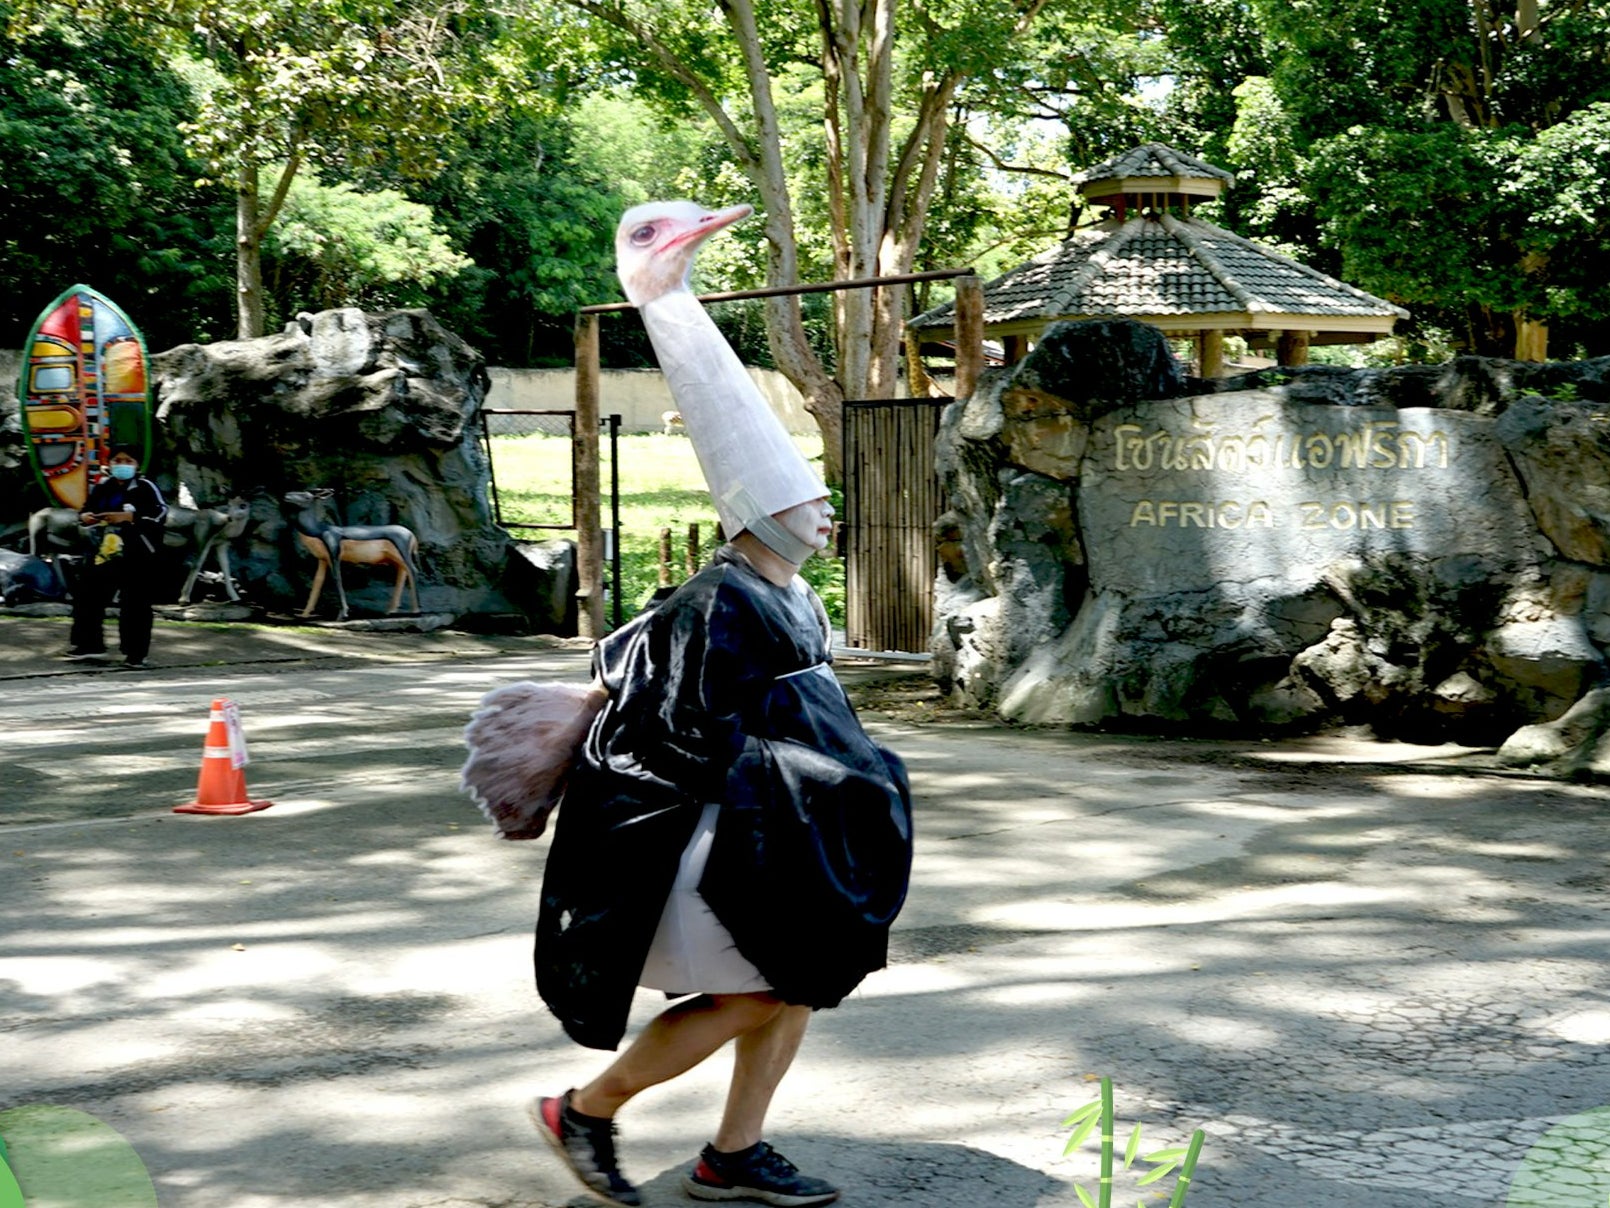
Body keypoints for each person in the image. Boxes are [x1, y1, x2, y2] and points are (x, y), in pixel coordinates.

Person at [526, 201, 914, 1208]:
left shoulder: (786, 595)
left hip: (774, 844)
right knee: (760, 984)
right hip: (708, 849)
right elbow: (669, 742)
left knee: (801, 979)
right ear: (765, 511)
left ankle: (733, 1152)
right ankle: (586, 1107)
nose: (825, 509)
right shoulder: (714, 602)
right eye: (808, 500)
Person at [65, 446, 167, 669]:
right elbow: (85, 510)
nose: (121, 465)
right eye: (117, 460)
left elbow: (161, 513)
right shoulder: (103, 486)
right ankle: (89, 645)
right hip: (104, 551)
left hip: (137, 553)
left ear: (137, 465)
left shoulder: (146, 487)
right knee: (87, 597)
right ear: (110, 464)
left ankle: (135, 654)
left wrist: (130, 517)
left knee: (135, 604)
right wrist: (86, 517)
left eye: (128, 461)